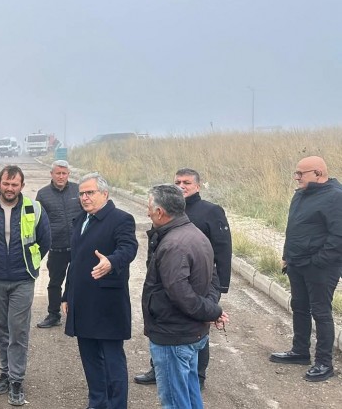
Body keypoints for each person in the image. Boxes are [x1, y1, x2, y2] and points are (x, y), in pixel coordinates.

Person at [135, 168, 232, 387]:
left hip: (201, 285)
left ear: (198, 185)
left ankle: (198, 375)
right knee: (170, 328)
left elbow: (222, 251)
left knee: (196, 330)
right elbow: (155, 248)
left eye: (186, 182)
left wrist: (218, 292)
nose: (181, 186)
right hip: (168, 282)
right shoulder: (166, 212)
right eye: (177, 182)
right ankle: (158, 369)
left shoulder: (211, 211)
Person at [0, 165, 51, 406]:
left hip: (22, 280)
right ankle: (4, 373)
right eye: (6, 183)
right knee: (0, 329)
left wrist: (27, 265)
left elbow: (45, 241)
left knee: (18, 330)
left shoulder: (34, 209)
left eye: (14, 184)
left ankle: (16, 380)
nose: (9, 188)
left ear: (21, 186)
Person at [61, 173, 138, 409]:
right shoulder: (81, 219)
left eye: (90, 193)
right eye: (81, 194)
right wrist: (66, 294)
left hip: (107, 303)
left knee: (113, 362)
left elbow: (129, 248)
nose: (84, 197)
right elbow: (75, 261)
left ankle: (116, 405)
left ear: (105, 193)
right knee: (90, 360)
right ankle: (97, 402)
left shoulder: (121, 219)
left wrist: (111, 262)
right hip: (82, 301)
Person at [270, 156, 342, 382]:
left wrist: (318, 261)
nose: (296, 177)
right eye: (296, 173)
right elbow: (293, 228)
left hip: (321, 267)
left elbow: (338, 237)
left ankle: (324, 363)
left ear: (318, 173)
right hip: (296, 263)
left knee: (320, 312)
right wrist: (286, 255)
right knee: (299, 307)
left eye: (301, 173)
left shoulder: (336, 197)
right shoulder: (300, 194)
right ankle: (300, 352)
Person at [34, 160, 83, 329]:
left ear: (68, 174)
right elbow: (38, 221)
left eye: (64, 173)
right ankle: (54, 315)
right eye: (58, 173)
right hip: (56, 247)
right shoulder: (43, 194)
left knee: (80, 281)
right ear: (52, 174)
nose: (61, 177)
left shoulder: (78, 190)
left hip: (79, 247)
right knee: (55, 283)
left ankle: (80, 314)